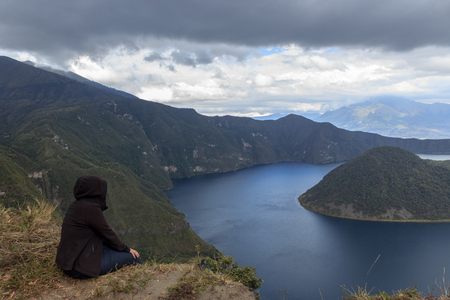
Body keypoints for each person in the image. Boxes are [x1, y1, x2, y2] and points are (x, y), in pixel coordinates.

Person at [56, 175, 141, 279]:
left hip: (67, 263)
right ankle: (142, 283)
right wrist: (127, 249)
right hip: (80, 268)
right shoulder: (91, 208)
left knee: (111, 249)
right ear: (95, 191)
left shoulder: (75, 206)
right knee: (133, 258)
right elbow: (107, 233)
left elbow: (101, 235)